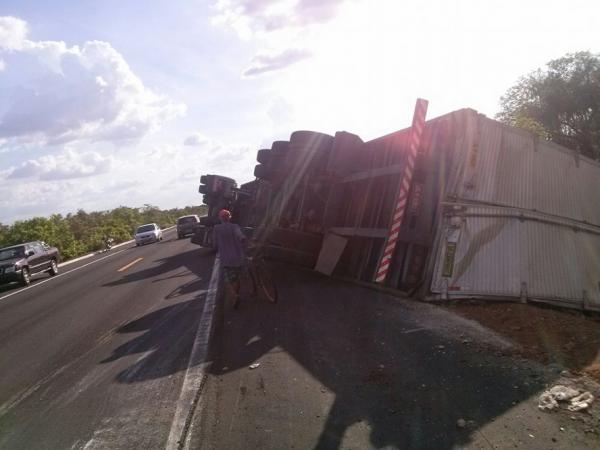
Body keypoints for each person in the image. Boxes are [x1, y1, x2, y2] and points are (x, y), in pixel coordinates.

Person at [212, 209, 246, 309]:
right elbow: (240, 236)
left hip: (226, 259)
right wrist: (243, 240)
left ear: (220, 218)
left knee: (228, 280)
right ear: (229, 217)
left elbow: (214, 244)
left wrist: (216, 247)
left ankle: (235, 296)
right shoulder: (235, 226)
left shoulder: (216, 228)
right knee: (236, 278)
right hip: (238, 257)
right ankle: (236, 296)